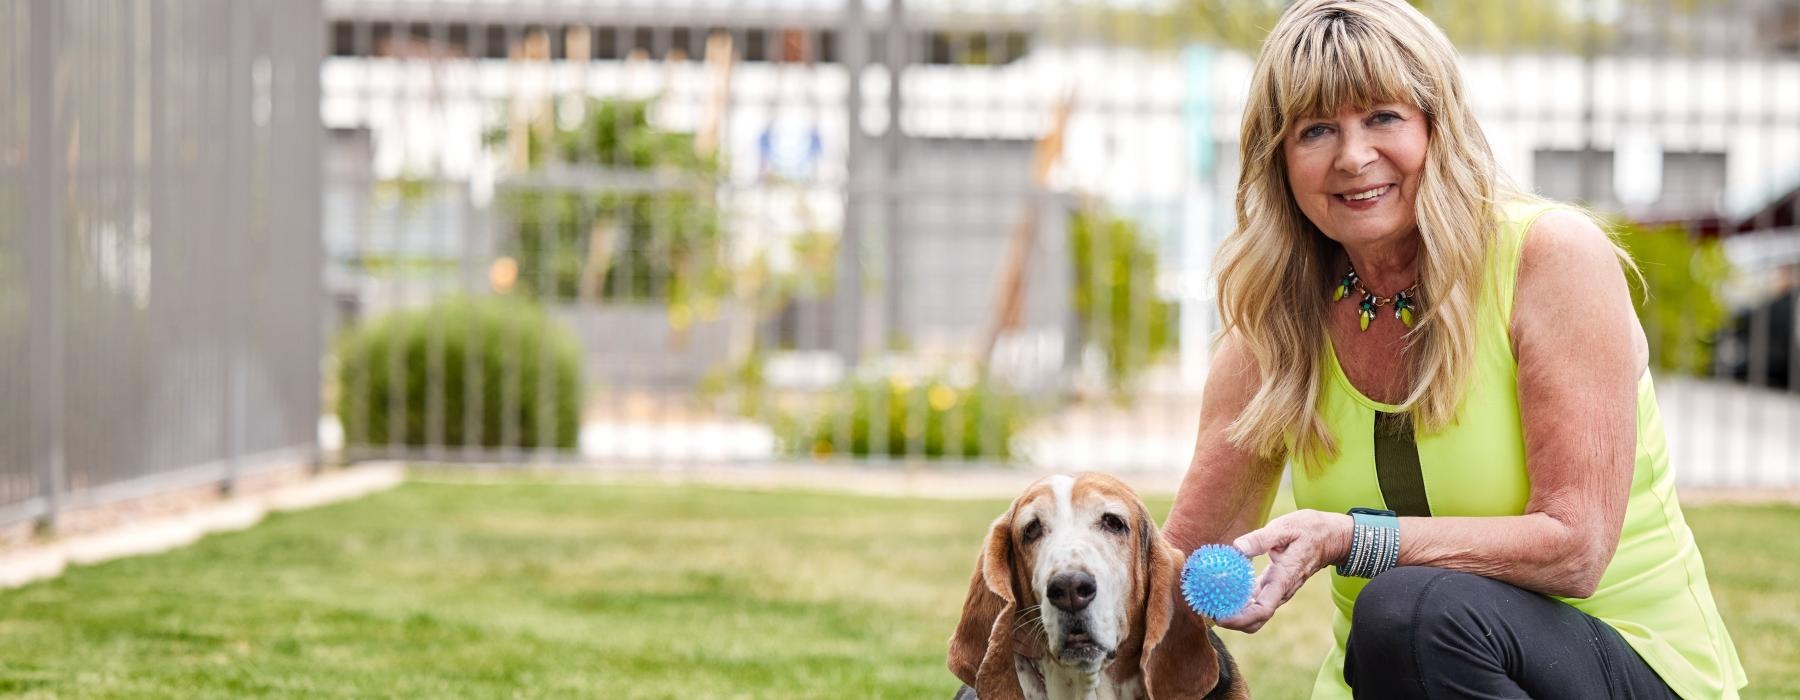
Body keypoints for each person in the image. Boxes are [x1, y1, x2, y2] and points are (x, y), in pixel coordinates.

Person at [1160, 0, 1747, 697]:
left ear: (1438, 126)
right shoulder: (1276, 320)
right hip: (1392, 679)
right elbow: (1180, 571)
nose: (1353, 157)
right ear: (1279, 160)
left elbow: (1575, 548)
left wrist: (1351, 538)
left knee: (1409, 609)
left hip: (1625, 662)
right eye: (1317, 130)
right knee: (1405, 616)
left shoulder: (1551, 257)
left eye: (1383, 117)